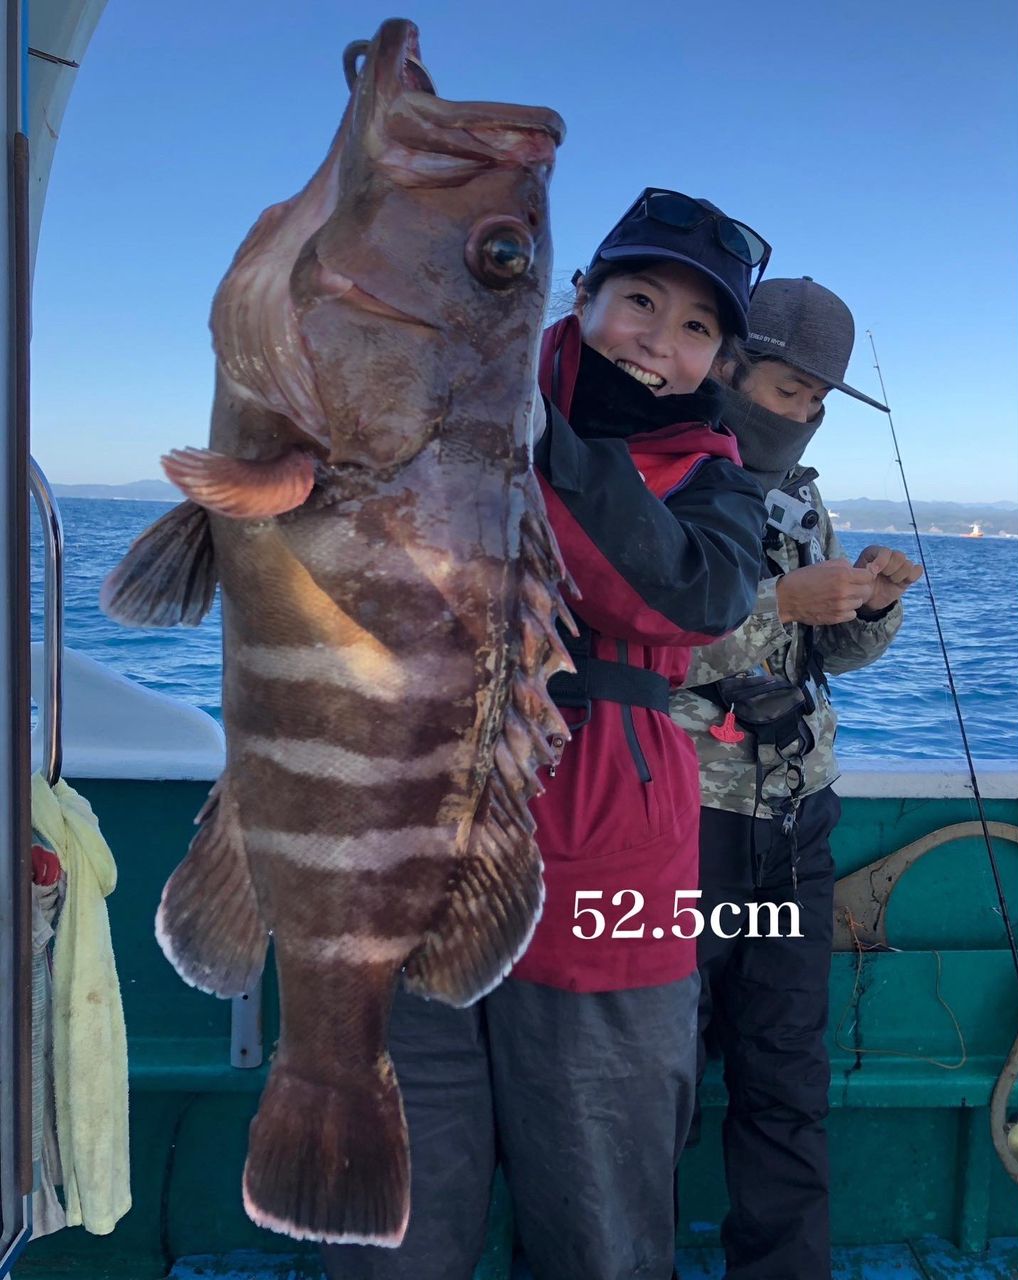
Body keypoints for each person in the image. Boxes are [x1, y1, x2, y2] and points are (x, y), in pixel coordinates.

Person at [321, 189, 769, 1280]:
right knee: (396, 1213)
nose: (661, 342)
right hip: (407, 835)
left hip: (611, 871)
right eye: (639, 301)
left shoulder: (721, 486)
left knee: (602, 1216)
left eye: (697, 326)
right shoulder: (451, 393)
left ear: (718, 360)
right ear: (581, 296)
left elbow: (684, 597)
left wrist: (541, 444)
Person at [671, 276, 923, 1280]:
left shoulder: (800, 497)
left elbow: (824, 657)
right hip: (673, 827)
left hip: (792, 822)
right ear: (728, 366)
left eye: (817, 400)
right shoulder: (647, 473)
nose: (804, 413)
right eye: (787, 389)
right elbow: (611, 645)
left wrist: (865, 607)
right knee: (648, 1079)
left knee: (786, 1073)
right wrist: (781, 598)